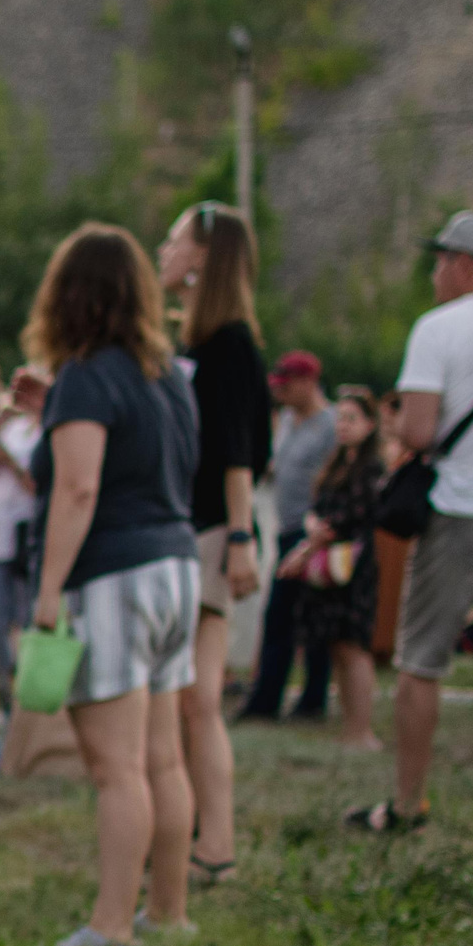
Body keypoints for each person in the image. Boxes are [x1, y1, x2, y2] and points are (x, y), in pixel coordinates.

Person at [24, 224, 202, 946]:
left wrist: (48, 590)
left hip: (112, 576)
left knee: (116, 767)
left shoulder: (86, 376)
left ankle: (110, 925)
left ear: (69, 294)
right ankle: (169, 912)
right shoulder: (166, 379)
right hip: (176, 567)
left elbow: (79, 486)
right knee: (165, 760)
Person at [353, 211, 473, 844]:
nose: (434, 275)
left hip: (460, 513)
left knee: (421, 662)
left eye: (439, 263)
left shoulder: (437, 330)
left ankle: (407, 804)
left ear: (462, 265)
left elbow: (418, 432)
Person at [157, 200, 268, 885]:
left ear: (203, 257)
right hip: (198, 530)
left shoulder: (227, 343)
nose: (163, 251)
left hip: (211, 532)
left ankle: (214, 843)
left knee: (198, 698)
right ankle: (200, 833)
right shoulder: (200, 343)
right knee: (190, 697)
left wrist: (240, 537)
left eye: (173, 241)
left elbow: (236, 453)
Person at [239, 351, 336, 720]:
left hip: (311, 533)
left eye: (287, 385)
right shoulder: (288, 422)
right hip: (287, 529)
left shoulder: (328, 425)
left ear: (308, 382)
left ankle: (303, 700)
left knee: (303, 619)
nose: (280, 393)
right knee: (283, 618)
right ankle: (276, 697)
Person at [287, 388, 385, 751]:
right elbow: (318, 506)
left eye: (351, 419)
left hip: (353, 567)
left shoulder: (371, 468)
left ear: (369, 425)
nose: (342, 426)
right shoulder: (336, 463)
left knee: (355, 647)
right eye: (339, 418)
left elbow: (352, 516)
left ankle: (362, 729)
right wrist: (312, 524)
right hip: (327, 566)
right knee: (337, 648)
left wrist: (310, 541)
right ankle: (349, 726)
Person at [0, 366, 47, 707]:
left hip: (28, 535)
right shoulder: (15, 429)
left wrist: (13, 464)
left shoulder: (49, 432)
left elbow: (39, 485)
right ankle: (10, 681)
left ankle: (28, 698)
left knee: (28, 621)